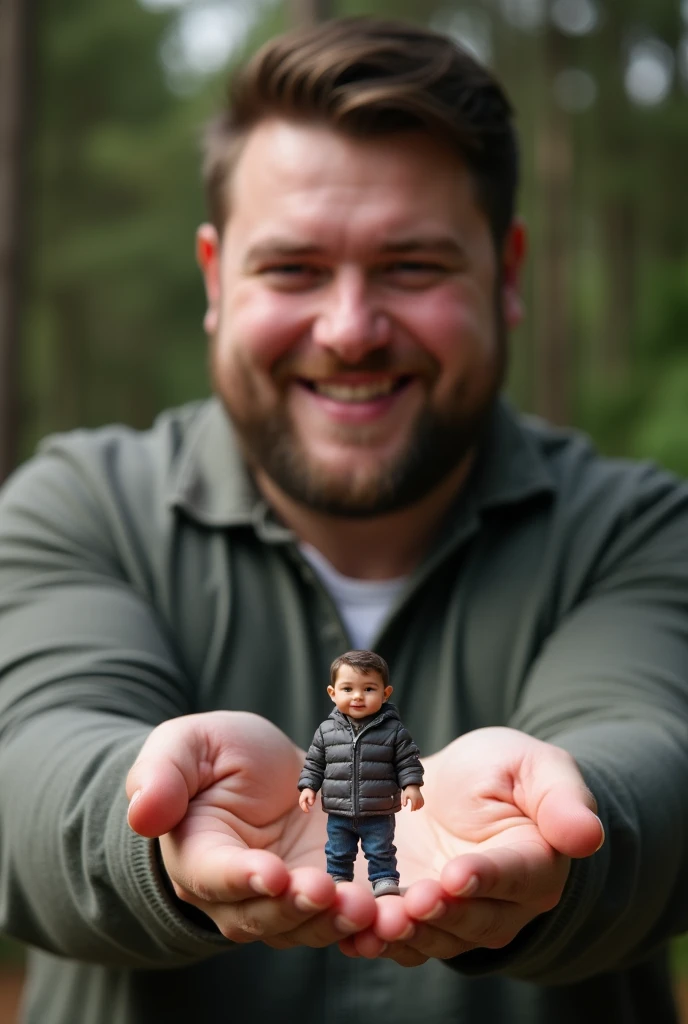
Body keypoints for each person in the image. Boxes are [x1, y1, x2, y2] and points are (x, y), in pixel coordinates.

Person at [0, 14, 687, 1024]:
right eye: (293, 269)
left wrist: (574, 817)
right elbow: (29, 761)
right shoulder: (78, 507)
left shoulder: (636, 527)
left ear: (506, 276)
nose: (350, 328)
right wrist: (147, 823)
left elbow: (654, 748)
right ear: (213, 280)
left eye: (411, 265)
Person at [298, 649, 424, 895]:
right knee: (337, 849)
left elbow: (407, 760)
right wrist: (307, 787)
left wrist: (412, 785)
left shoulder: (394, 731)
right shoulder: (326, 731)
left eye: (368, 689)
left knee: (381, 849)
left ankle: (385, 879)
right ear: (333, 694)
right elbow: (314, 762)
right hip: (339, 810)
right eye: (348, 689)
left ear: (385, 693)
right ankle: (337, 879)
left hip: (378, 809)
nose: (357, 696)